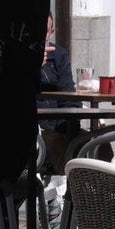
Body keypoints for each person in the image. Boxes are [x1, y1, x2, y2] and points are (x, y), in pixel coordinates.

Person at [37, 15, 80, 173]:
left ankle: (104, 196)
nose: (44, 37)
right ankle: (69, 195)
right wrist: (33, 68)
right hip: (36, 129)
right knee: (58, 144)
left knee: (99, 144)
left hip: (60, 126)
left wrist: (68, 131)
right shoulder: (18, 59)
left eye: (48, 32)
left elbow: (70, 99)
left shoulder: (59, 55)